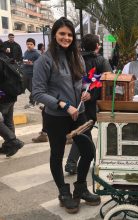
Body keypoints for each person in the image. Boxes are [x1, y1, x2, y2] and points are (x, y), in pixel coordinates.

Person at [32, 17, 100, 214]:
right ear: (55, 34)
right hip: (56, 117)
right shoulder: (44, 60)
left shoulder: (76, 57)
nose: (66, 37)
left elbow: (81, 83)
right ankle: (64, 193)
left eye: (69, 34)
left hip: (78, 113)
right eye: (62, 33)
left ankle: (80, 188)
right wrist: (62, 104)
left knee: (88, 151)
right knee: (57, 154)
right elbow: (37, 92)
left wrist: (85, 93)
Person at [64, 33, 112, 175]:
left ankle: (78, 161)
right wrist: (94, 95)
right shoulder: (101, 60)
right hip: (92, 104)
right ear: (97, 46)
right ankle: (74, 162)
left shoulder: (74, 59)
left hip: (74, 101)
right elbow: (108, 82)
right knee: (84, 131)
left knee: (83, 131)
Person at [0, 39, 24, 157]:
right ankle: (9, 146)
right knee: (8, 120)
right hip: (11, 95)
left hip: (2, 96)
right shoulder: (5, 57)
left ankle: (12, 141)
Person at [22, 38, 40, 109]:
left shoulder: (36, 53)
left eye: (31, 44)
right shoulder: (26, 52)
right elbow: (24, 60)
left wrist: (32, 63)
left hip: (33, 74)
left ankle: (31, 103)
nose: (29, 45)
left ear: (34, 45)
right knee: (26, 87)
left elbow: (40, 63)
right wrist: (24, 62)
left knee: (32, 89)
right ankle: (37, 97)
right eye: (28, 44)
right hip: (25, 73)